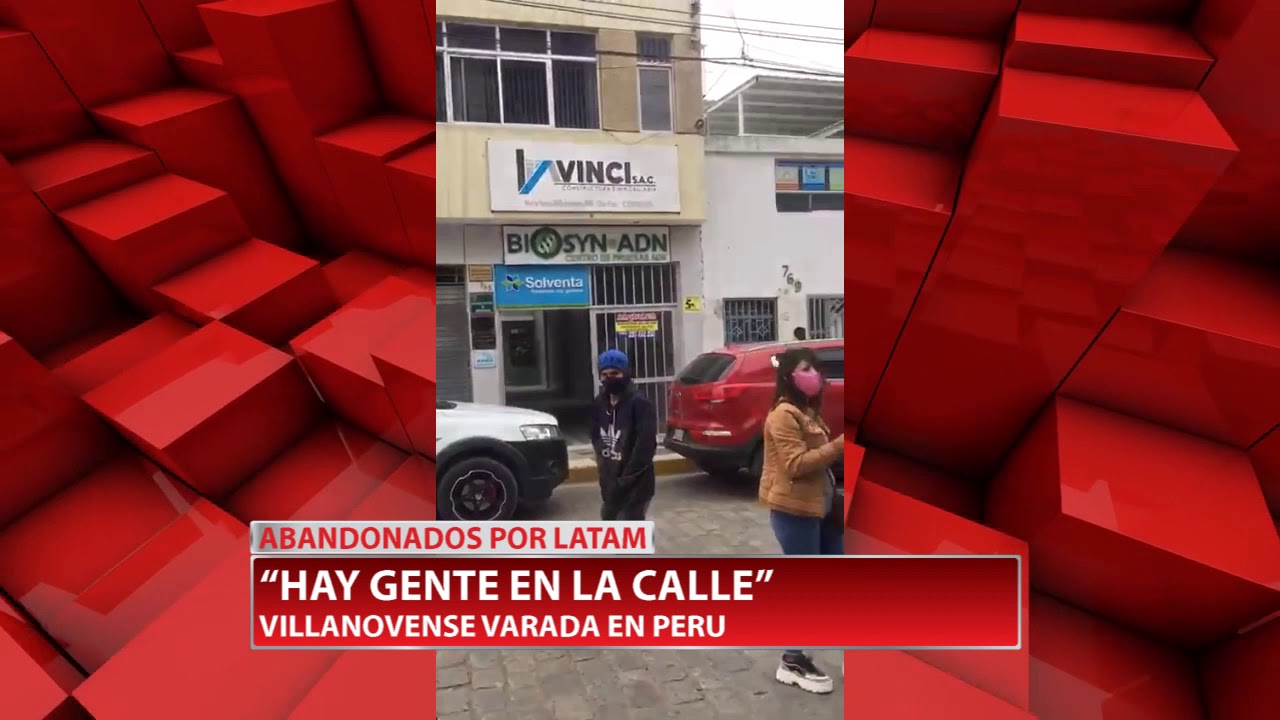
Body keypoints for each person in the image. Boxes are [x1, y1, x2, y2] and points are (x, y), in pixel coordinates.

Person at [758, 347, 844, 694]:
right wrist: (839, 446)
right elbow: (795, 464)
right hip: (794, 511)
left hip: (822, 508)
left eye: (816, 369)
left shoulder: (807, 411)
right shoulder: (782, 414)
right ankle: (792, 660)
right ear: (789, 376)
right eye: (806, 369)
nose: (814, 375)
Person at [591, 349, 657, 521]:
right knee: (609, 521)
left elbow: (645, 447)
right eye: (605, 374)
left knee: (628, 527)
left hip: (635, 486)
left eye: (615, 373)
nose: (609, 378)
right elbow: (596, 437)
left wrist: (625, 480)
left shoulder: (640, 403)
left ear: (626, 373)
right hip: (610, 483)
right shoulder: (600, 403)